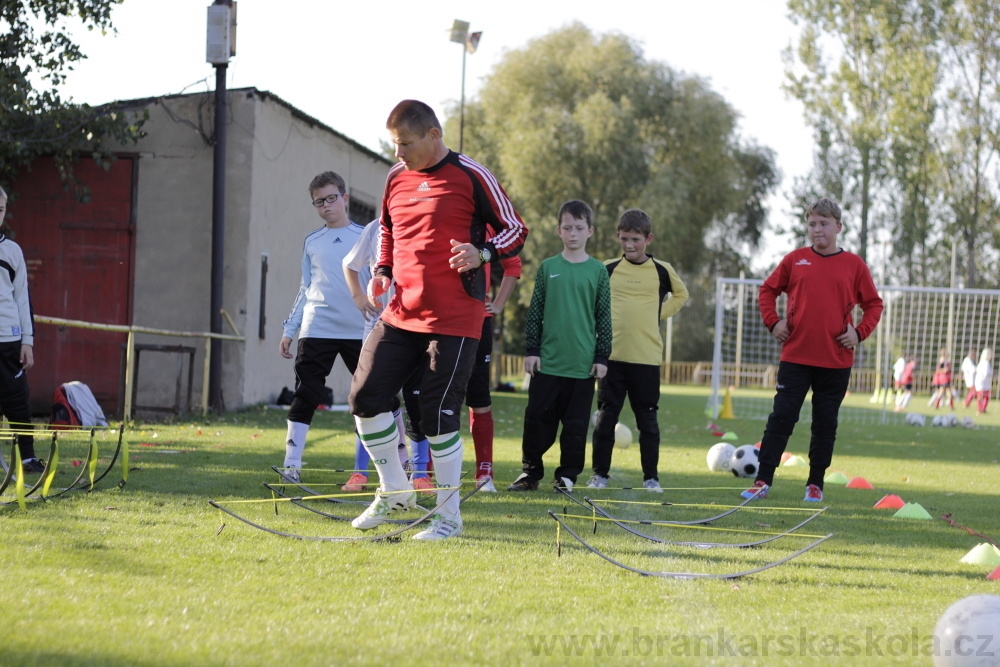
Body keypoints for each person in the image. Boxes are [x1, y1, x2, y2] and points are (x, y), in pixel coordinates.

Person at [347, 100, 527, 540]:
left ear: (433, 134)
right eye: (394, 144)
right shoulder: (395, 178)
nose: (398, 153)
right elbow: (387, 229)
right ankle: (395, 491)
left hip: (455, 320)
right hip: (401, 313)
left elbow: (515, 228)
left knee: (437, 416)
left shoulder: (471, 174)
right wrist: (383, 271)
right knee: (365, 396)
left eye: (405, 143)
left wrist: (483, 253)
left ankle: (449, 518)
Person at [741, 197, 883, 503]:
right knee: (781, 418)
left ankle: (815, 484)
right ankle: (762, 480)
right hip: (795, 357)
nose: (817, 230)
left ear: (838, 227)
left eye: (823, 224)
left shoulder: (854, 265)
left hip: (836, 361)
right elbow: (767, 291)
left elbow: (874, 304)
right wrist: (773, 322)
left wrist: (858, 333)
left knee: (825, 423)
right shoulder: (795, 260)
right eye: (812, 224)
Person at [507, 199, 612, 492]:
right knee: (537, 422)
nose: (573, 233)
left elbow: (604, 316)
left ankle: (566, 477)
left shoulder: (598, 271)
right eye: (567, 227)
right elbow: (535, 312)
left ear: (590, 231)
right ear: (559, 231)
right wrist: (532, 350)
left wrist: (602, 355)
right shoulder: (547, 267)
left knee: (576, 428)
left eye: (579, 228)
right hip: (547, 363)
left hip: (581, 366)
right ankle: (530, 474)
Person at [586, 209, 688, 493]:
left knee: (648, 424)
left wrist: (658, 312)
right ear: (618, 237)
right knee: (606, 420)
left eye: (635, 240)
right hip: (611, 359)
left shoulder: (662, 270)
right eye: (624, 239)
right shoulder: (606, 268)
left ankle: (651, 478)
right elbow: (590, 299)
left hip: (646, 360)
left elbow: (682, 295)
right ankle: (599, 476)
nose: (629, 245)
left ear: (648, 239)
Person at [278, 172, 367, 484]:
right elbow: (305, 288)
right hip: (317, 329)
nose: (326, 205)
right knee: (306, 395)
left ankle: (385, 467)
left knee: (373, 399)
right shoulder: (312, 242)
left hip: (361, 330)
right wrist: (290, 329)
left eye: (331, 198)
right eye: (319, 202)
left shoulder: (366, 236)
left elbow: (382, 284)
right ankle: (291, 465)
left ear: (344, 198)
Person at [342, 219, 431, 493]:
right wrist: (358, 297)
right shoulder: (375, 228)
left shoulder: (426, 219)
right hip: (379, 329)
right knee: (369, 400)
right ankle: (361, 472)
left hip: (417, 329)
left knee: (418, 402)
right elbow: (350, 264)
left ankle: (419, 474)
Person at [465, 243, 521, 493]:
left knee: (478, 396)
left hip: (478, 321)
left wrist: (498, 304)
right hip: (441, 320)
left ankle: (484, 471)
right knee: (440, 396)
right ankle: (427, 470)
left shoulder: (489, 228)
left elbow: (513, 264)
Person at [0, 186, 42, 474]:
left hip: (10, 341)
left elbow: (22, 298)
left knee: (17, 399)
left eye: (0, 209)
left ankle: (27, 458)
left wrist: (27, 341)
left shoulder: (13, 251)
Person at [974, 347, 993, 414]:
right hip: (983, 383)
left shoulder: (981, 362)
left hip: (979, 382)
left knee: (981, 397)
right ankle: (981, 409)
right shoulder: (986, 363)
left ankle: (981, 409)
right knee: (985, 397)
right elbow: (986, 373)